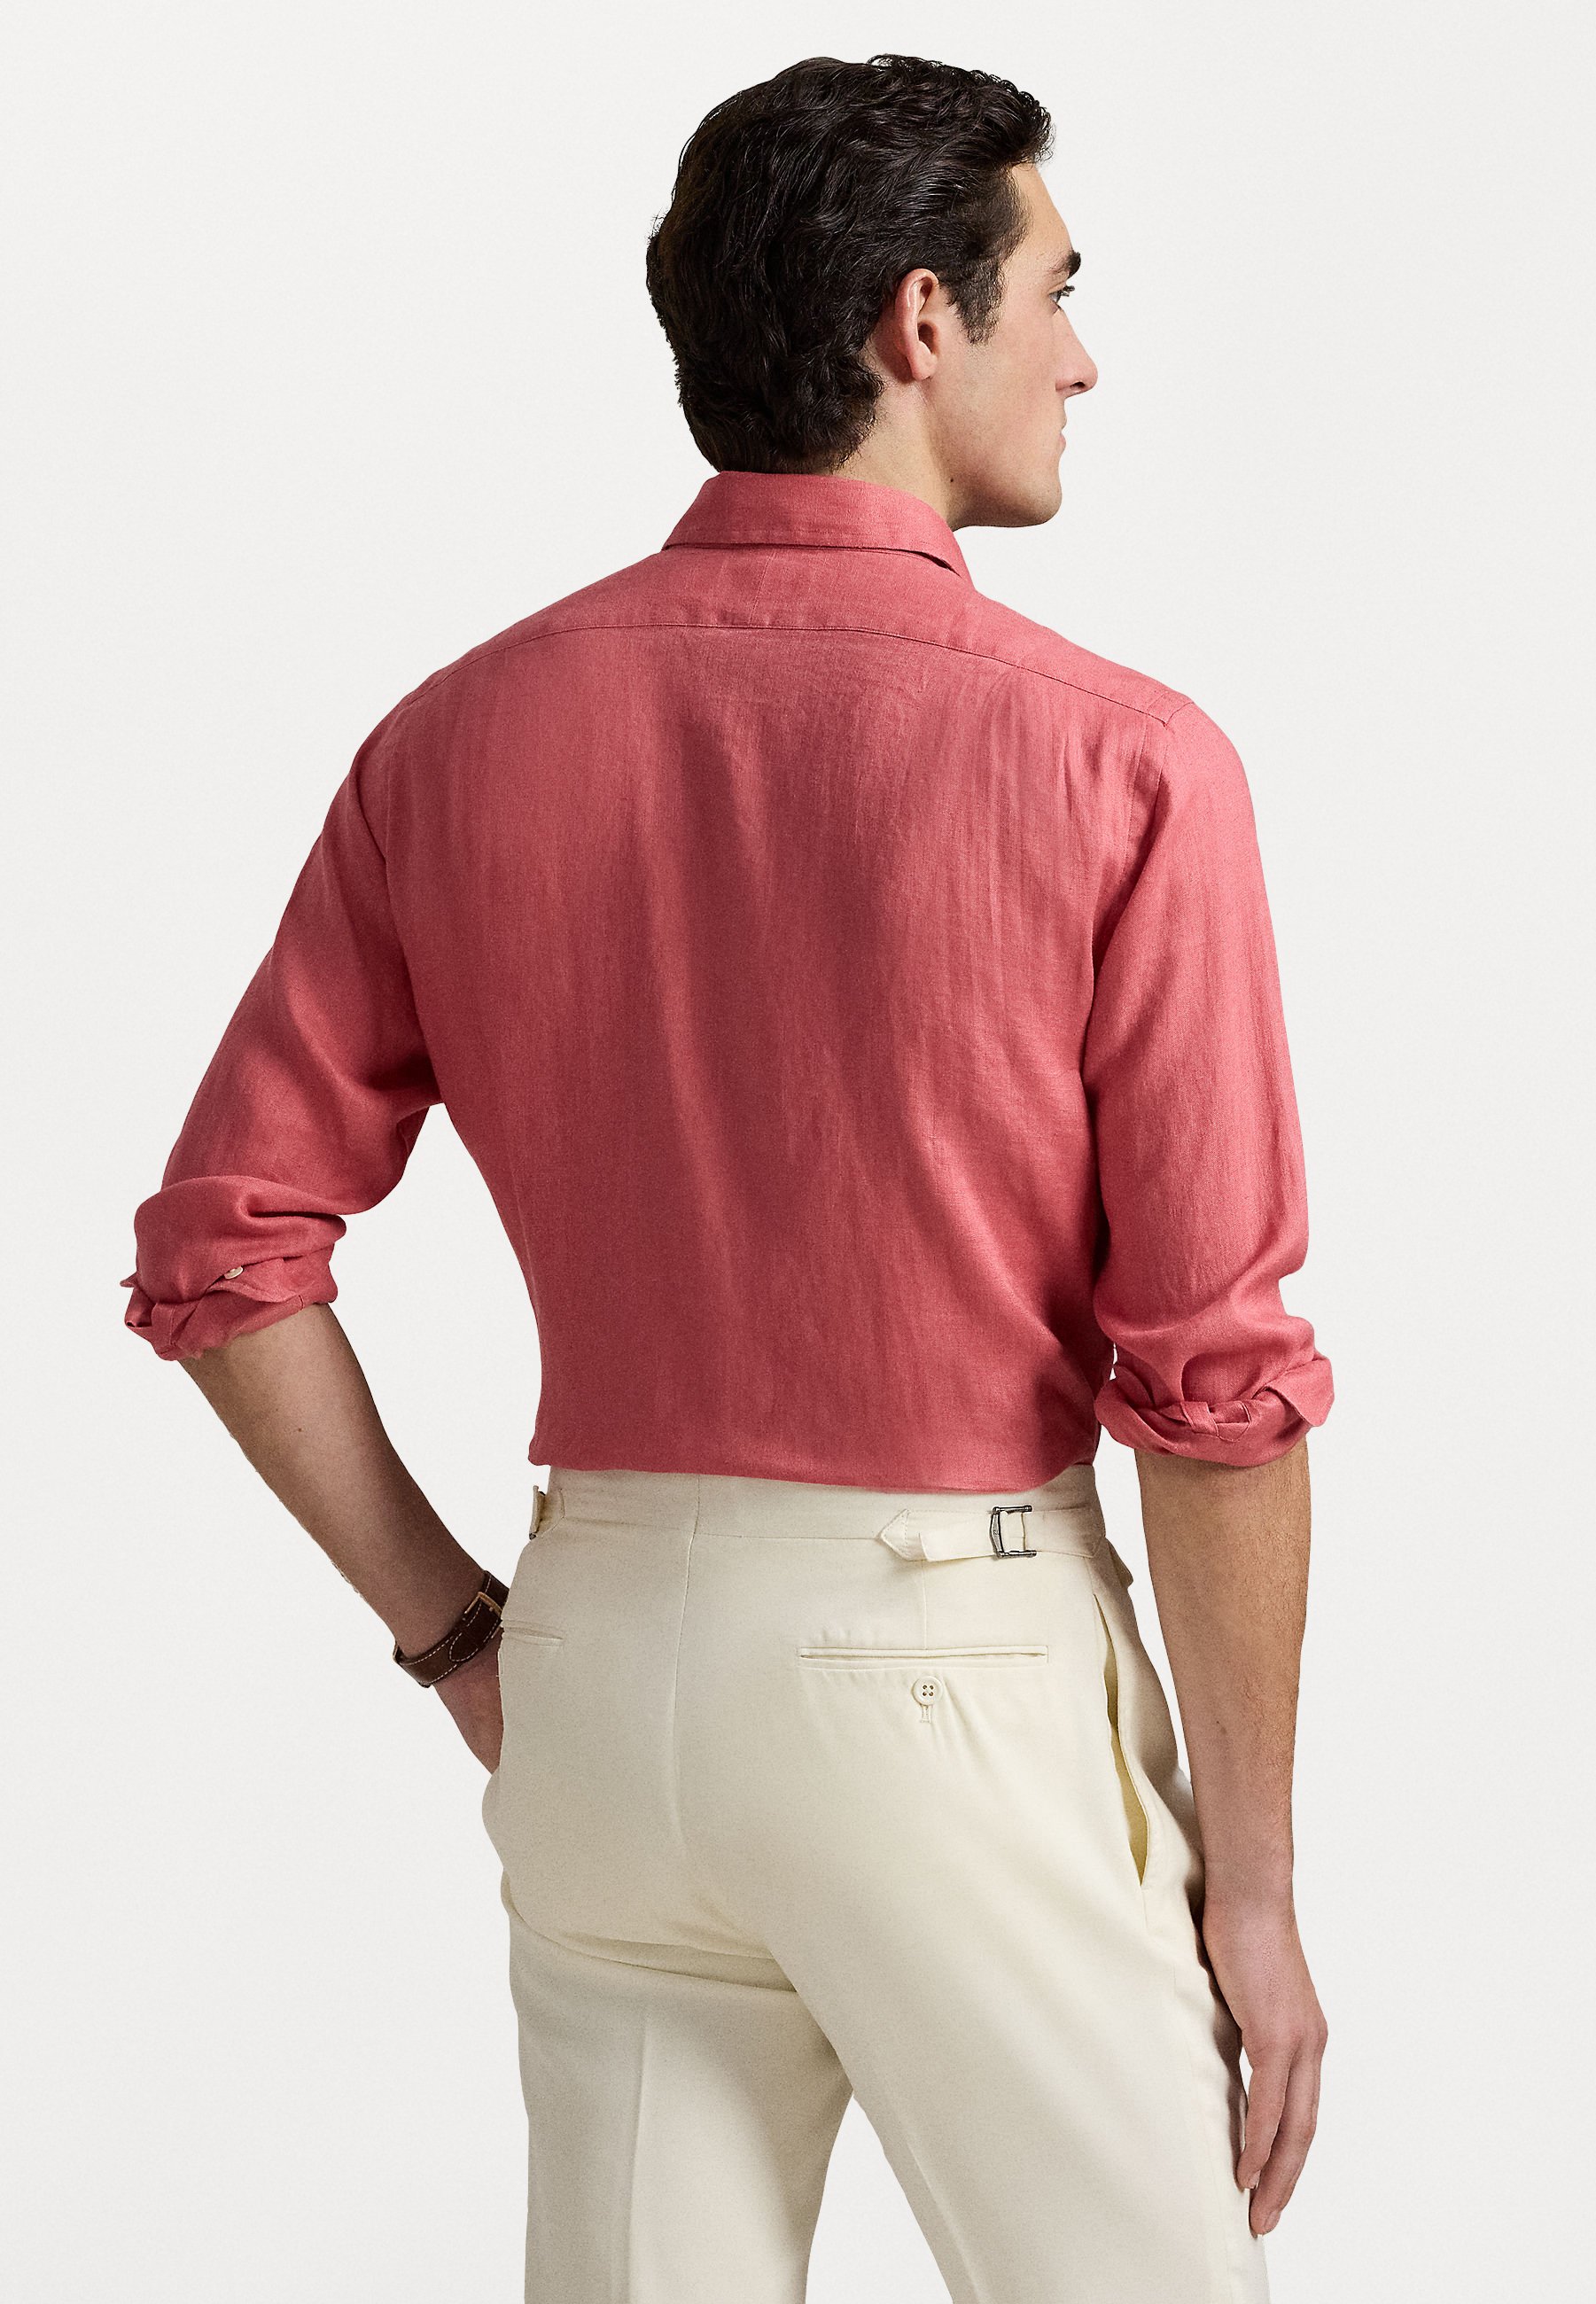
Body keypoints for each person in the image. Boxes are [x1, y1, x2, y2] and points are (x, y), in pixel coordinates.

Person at [121, 51, 1332, 2304]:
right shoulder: (1123, 761)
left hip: (604, 1672)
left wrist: (463, 1637)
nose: (1084, 356)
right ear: (920, 322)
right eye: (1059, 288)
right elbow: (1215, 1391)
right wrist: (1248, 1888)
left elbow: (223, 1256)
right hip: (947, 1677)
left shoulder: (456, 736)